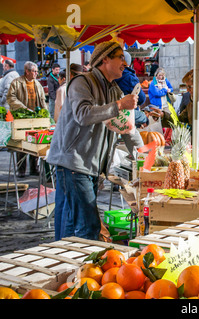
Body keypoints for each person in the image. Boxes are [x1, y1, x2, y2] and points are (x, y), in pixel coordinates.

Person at [46, 41, 144, 241]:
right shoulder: (82, 82)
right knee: (88, 225)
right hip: (73, 163)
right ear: (104, 59)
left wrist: (145, 153)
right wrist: (119, 104)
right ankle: (81, 268)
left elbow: (125, 126)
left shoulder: (113, 89)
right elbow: (83, 115)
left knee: (70, 223)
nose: (125, 62)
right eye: (120, 57)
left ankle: (65, 265)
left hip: (90, 167)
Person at [151, 68, 199, 135]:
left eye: (189, 87)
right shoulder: (193, 101)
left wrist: (198, 128)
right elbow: (178, 120)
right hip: (197, 146)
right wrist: (163, 116)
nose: (187, 90)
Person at [7, 61, 47, 178]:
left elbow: (43, 100)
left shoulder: (37, 84)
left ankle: (34, 168)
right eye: (34, 71)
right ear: (27, 71)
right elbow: (11, 98)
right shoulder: (16, 83)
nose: (36, 73)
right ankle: (21, 170)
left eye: (36, 71)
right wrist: (23, 108)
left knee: (35, 143)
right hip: (22, 118)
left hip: (35, 118)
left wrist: (44, 114)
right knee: (22, 145)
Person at [114, 51, 148, 129]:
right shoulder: (130, 78)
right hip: (127, 115)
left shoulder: (110, 76)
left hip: (112, 115)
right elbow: (141, 99)